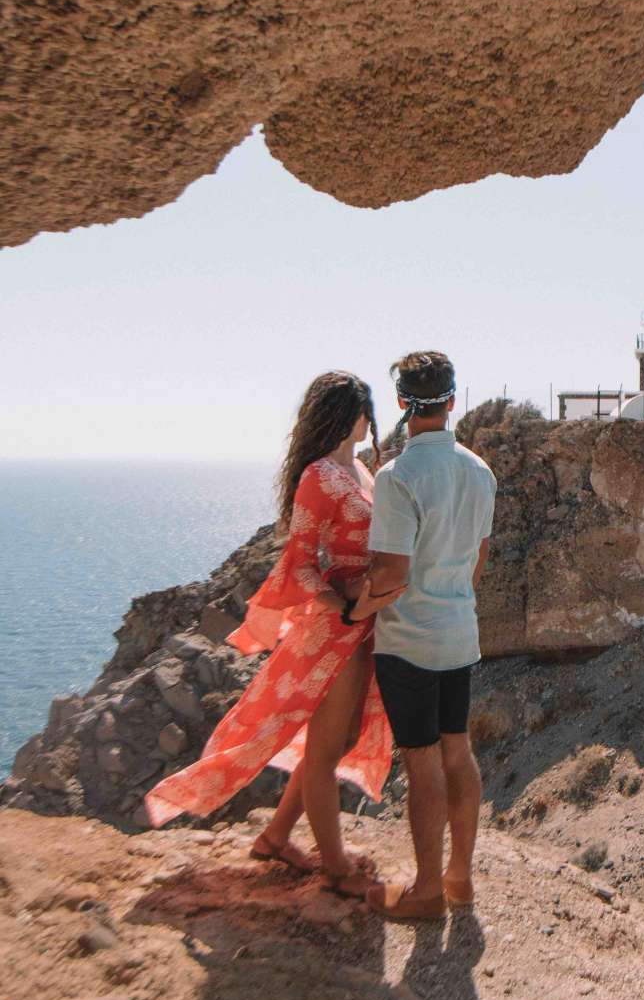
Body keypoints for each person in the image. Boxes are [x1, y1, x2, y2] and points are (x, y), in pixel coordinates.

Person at [144, 372, 401, 899]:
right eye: (364, 411)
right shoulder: (317, 477)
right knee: (329, 749)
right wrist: (343, 606)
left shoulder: (359, 470)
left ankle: (277, 835)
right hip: (337, 630)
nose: (369, 422)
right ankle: (334, 866)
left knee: (340, 741)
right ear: (350, 415)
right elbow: (301, 564)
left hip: (365, 623)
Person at [343, 351, 496, 921]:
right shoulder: (480, 472)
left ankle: (426, 890)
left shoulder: (397, 476)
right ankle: (460, 878)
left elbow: (390, 575)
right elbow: (478, 560)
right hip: (460, 634)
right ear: (454, 400)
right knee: (459, 750)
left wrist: (352, 611)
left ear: (403, 405)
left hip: (408, 641)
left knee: (423, 762)